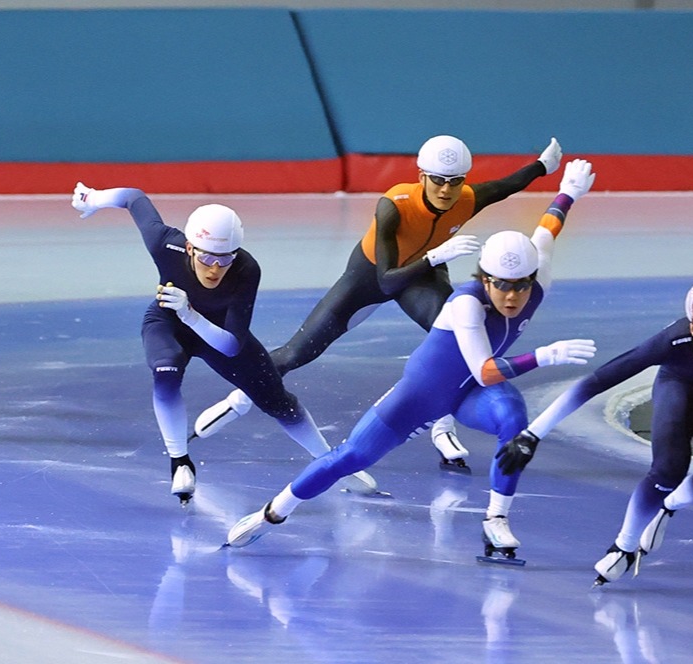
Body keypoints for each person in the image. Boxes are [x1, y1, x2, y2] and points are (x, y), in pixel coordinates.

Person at [224, 160, 599, 560]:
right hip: (421, 396)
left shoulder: (537, 275)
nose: (512, 297)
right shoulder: (467, 304)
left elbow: (548, 228)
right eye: (501, 286)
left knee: (513, 419)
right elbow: (486, 371)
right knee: (351, 457)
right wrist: (545, 355)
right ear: (483, 278)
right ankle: (272, 513)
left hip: (469, 394)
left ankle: (496, 519)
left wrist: (569, 192)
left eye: (521, 287)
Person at [193, 135, 563, 474]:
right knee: (296, 353)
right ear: (422, 177)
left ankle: (442, 426)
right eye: (438, 180)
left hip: (421, 279)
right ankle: (240, 397)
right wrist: (437, 257)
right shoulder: (394, 205)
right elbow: (387, 280)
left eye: (456, 181)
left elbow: (505, 187)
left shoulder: (467, 197)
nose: (447, 189)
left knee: (459, 350)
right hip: (371, 277)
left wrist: (543, 166)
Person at [494, 276, 693, 585]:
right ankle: (623, 545)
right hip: (679, 388)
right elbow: (596, 383)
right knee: (667, 469)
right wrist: (531, 434)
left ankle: (668, 507)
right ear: (692, 328)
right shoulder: (671, 341)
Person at [70, 183, 377, 504]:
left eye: (225, 258)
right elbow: (133, 198)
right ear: (189, 248)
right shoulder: (165, 245)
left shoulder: (246, 269)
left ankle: (330, 463)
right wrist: (93, 199)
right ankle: (180, 461)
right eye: (206, 257)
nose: (216, 267)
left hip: (215, 331)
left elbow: (231, 346)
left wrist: (189, 313)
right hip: (168, 323)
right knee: (166, 372)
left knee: (278, 402)